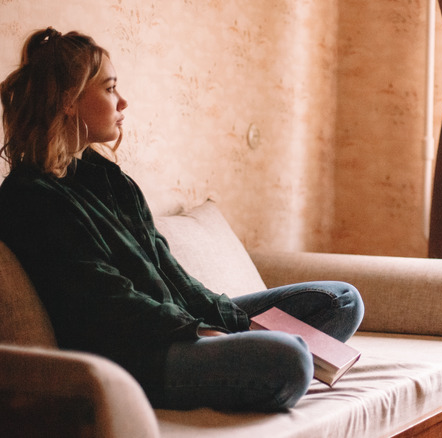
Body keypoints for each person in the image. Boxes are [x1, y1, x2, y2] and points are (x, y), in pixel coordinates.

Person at [0, 27, 364, 411]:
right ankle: (264, 363)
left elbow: (174, 276)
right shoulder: (29, 198)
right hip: (138, 354)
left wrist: (228, 323)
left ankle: (253, 359)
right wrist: (197, 332)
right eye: (109, 89)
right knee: (289, 359)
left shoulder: (110, 180)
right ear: (68, 100)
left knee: (341, 300)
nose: (122, 102)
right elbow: (106, 300)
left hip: (178, 324)